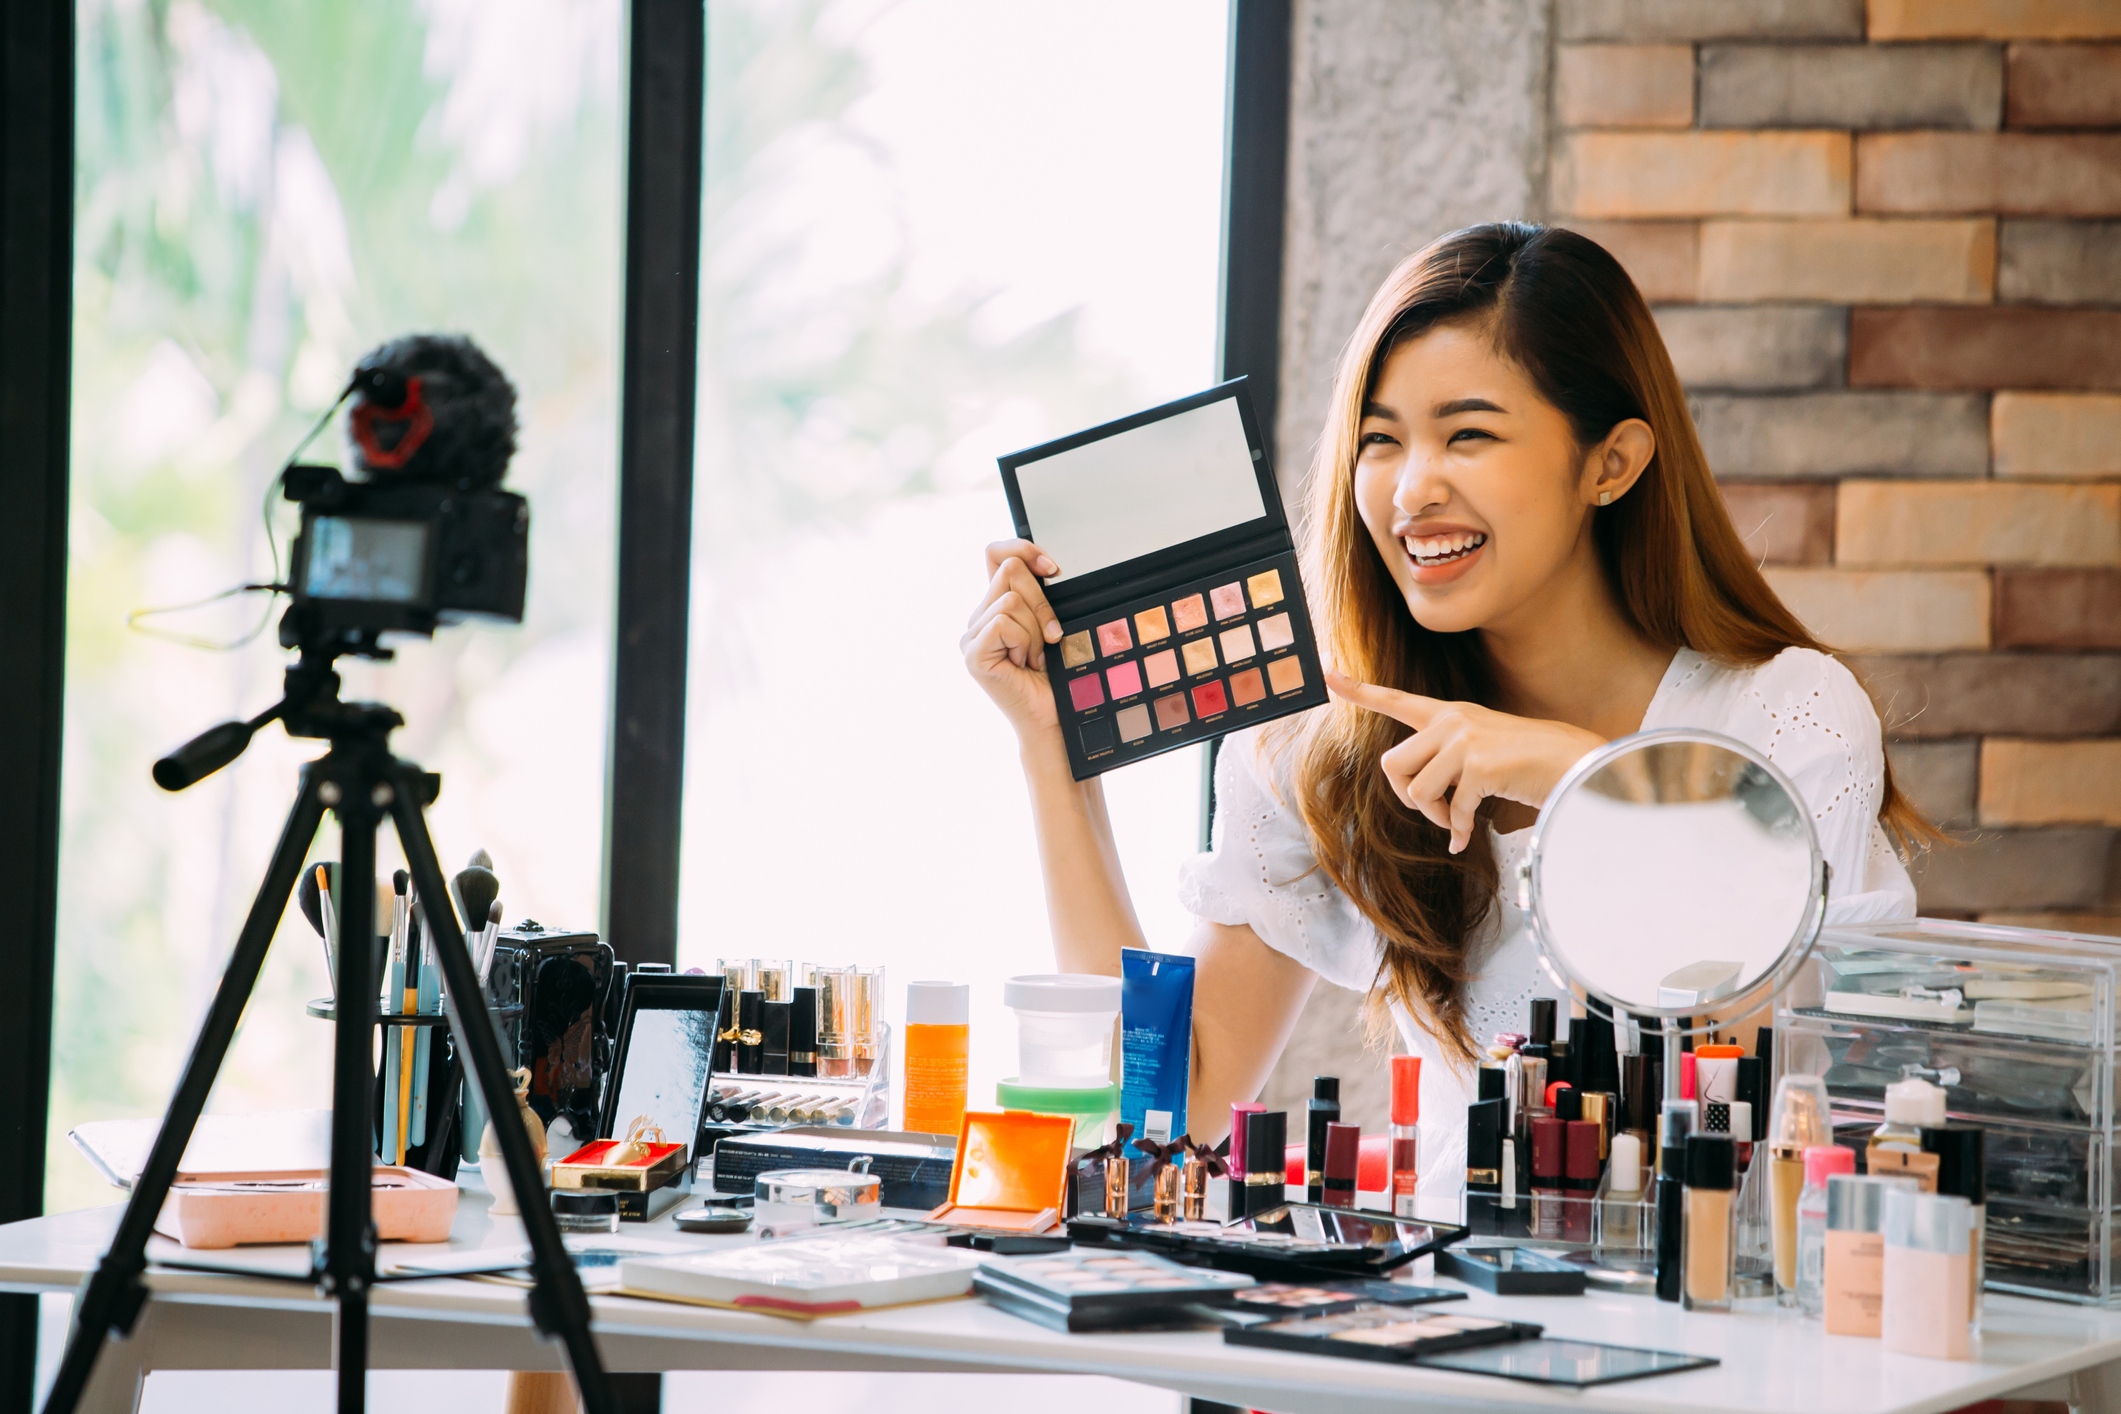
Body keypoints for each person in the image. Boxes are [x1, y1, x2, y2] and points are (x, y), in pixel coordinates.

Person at [961, 222, 1923, 1202]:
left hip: (1722, 1322)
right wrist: (1050, 746)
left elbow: (1803, 1099)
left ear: (1613, 462)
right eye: (1380, 440)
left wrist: (1584, 781)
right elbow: (1170, 1102)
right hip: (1449, 1323)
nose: (1413, 488)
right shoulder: (1324, 747)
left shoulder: (1790, 716)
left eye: (1469, 433)